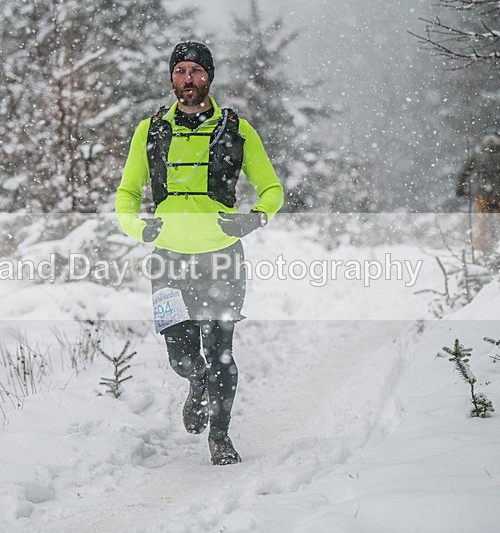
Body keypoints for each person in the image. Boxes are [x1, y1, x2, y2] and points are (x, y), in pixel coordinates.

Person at [114, 41, 284, 465]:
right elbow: (127, 193)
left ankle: (221, 437)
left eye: (195, 71)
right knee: (182, 355)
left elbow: (272, 189)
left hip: (222, 257)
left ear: (209, 76)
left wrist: (255, 218)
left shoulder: (236, 129)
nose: (187, 79)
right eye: (179, 71)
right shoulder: (150, 130)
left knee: (221, 349)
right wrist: (137, 226)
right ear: (172, 77)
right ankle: (198, 383)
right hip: (168, 259)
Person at [456, 130, 500, 252]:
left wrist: (460, 188)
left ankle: (480, 251)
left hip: (483, 193)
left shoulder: (478, 153)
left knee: (482, 224)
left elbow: (465, 172)